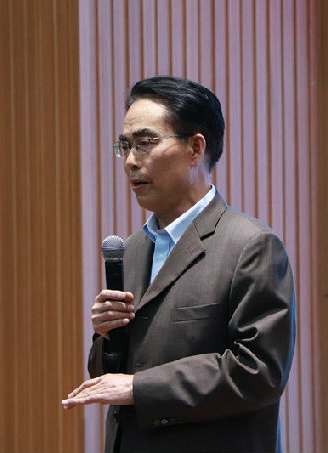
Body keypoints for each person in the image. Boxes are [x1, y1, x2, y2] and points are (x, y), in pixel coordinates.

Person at [62, 76, 296, 452]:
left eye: (145, 143)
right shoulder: (131, 250)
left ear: (195, 148)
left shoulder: (250, 246)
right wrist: (107, 337)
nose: (131, 161)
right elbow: (113, 379)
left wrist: (139, 388)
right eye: (125, 146)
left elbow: (258, 371)